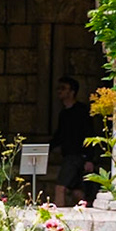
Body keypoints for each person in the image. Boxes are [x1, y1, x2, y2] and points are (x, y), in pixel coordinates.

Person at [51, 76, 93, 206]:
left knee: (60, 188)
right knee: (77, 192)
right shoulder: (64, 113)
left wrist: (89, 158)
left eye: (63, 88)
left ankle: (57, 221)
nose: (59, 91)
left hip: (77, 156)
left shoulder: (82, 111)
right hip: (69, 155)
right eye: (59, 88)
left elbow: (89, 134)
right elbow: (60, 135)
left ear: (72, 92)